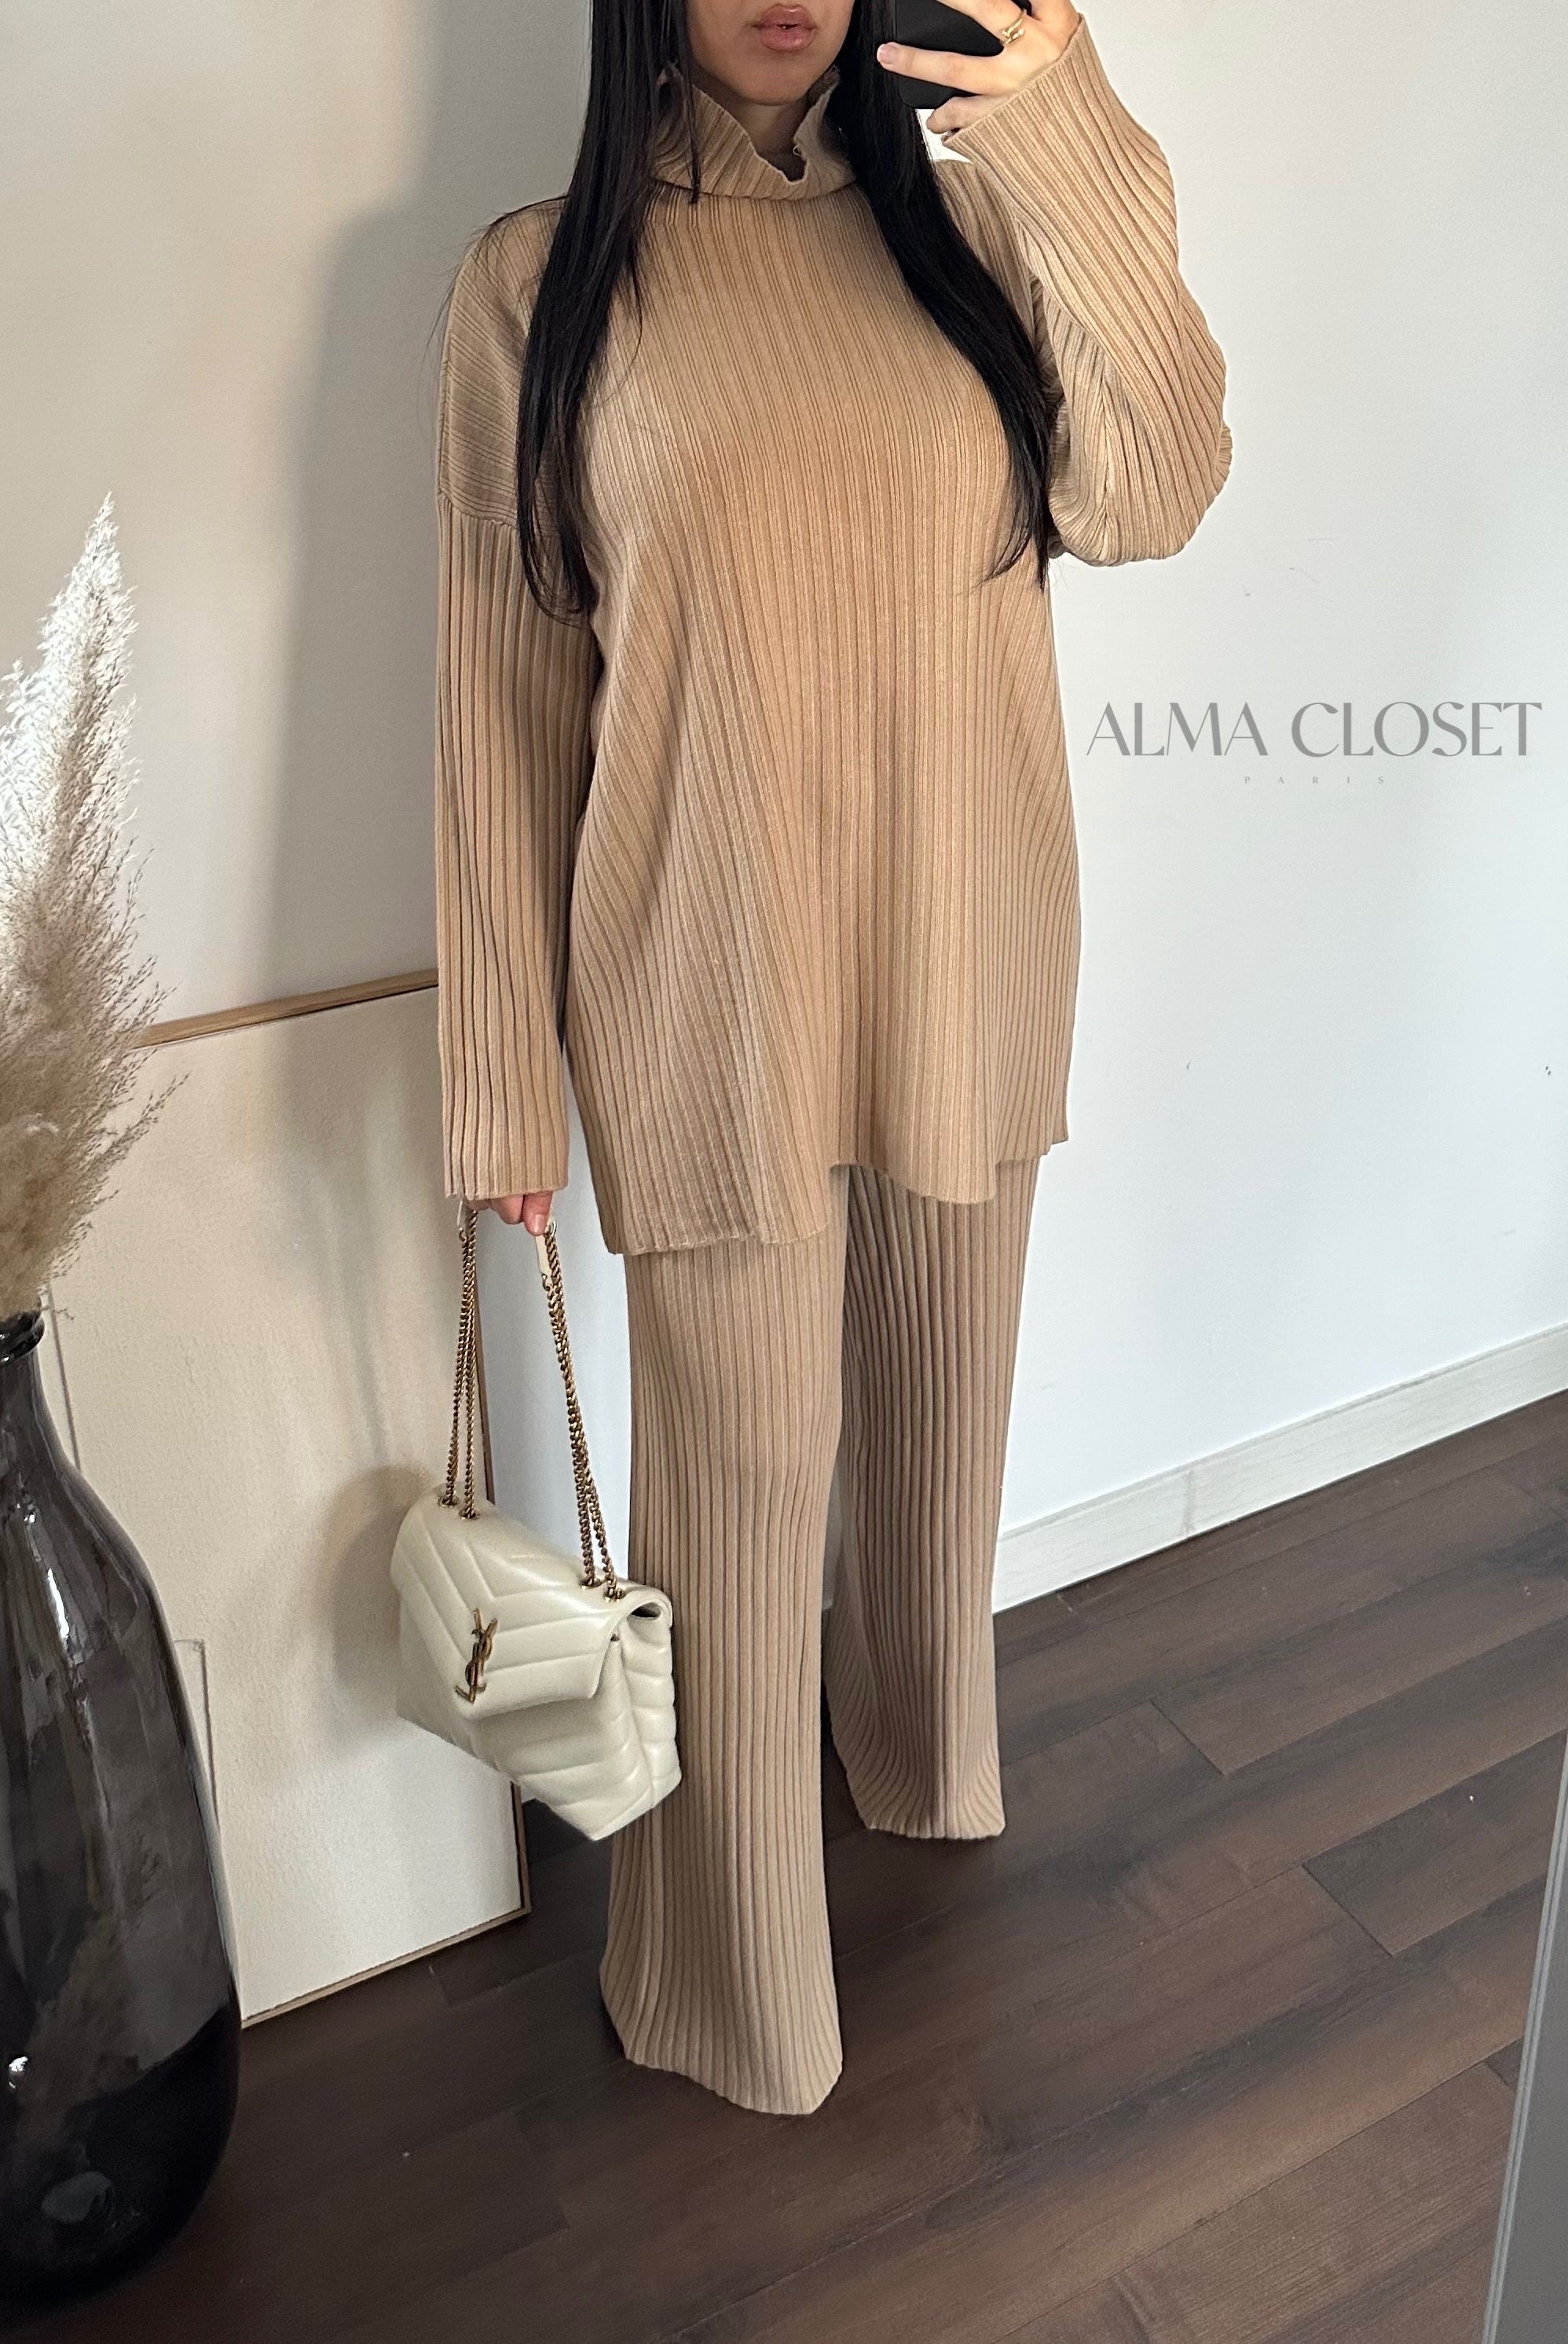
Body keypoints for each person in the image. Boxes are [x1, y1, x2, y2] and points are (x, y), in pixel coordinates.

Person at [432, 0, 1230, 2115]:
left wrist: (1063, 126)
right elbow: (501, 696)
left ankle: (921, 1750)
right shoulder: (540, 282)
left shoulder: (979, 238)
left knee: (943, 1419)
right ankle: (727, 1978)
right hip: (704, 981)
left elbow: (1158, 491)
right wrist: (500, 1075)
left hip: (969, 938)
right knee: (739, 1480)